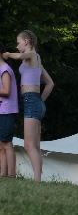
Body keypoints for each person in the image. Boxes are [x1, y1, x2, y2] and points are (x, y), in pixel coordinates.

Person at [2, 30, 53, 181]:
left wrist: (7, 54)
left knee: (29, 145)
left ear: (25, 41)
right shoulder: (36, 61)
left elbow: (19, 55)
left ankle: (37, 179)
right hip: (34, 101)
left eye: (18, 43)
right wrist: (40, 101)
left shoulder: (32, 55)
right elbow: (50, 83)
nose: (17, 46)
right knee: (34, 146)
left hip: (32, 101)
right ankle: (38, 177)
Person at [0, 44, 19, 178]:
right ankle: (3, 173)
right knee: (1, 144)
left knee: (6, 143)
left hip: (7, 111)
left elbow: (6, 91)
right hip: (2, 111)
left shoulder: (5, 69)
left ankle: (11, 175)